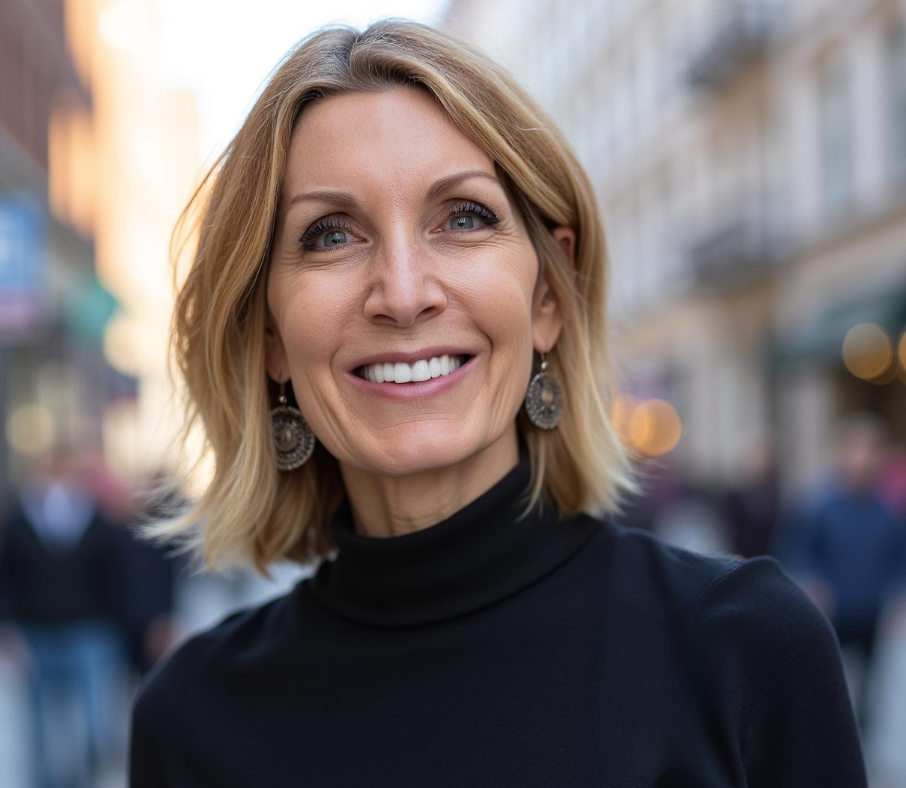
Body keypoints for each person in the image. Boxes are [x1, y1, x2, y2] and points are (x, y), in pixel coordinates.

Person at [128, 20, 868, 787]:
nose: (405, 293)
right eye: (331, 235)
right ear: (271, 335)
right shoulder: (190, 719)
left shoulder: (743, 648)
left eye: (464, 218)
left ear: (548, 294)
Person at [0, 444, 129, 788]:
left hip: (88, 632)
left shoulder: (96, 520)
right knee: (42, 732)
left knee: (94, 727)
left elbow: (118, 578)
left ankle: (82, 777)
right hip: (36, 635)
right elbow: (1, 579)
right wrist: (4, 630)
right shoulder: (18, 520)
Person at [776, 412, 906, 735]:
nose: (862, 457)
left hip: (872, 609)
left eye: (870, 449)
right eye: (855, 448)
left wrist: (898, 595)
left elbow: (899, 557)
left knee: (870, 685)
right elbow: (798, 551)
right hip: (832, 610)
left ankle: (862, 739)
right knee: (831, 679)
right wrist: (813, 584)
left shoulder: (887, 507)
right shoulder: (820, 503)